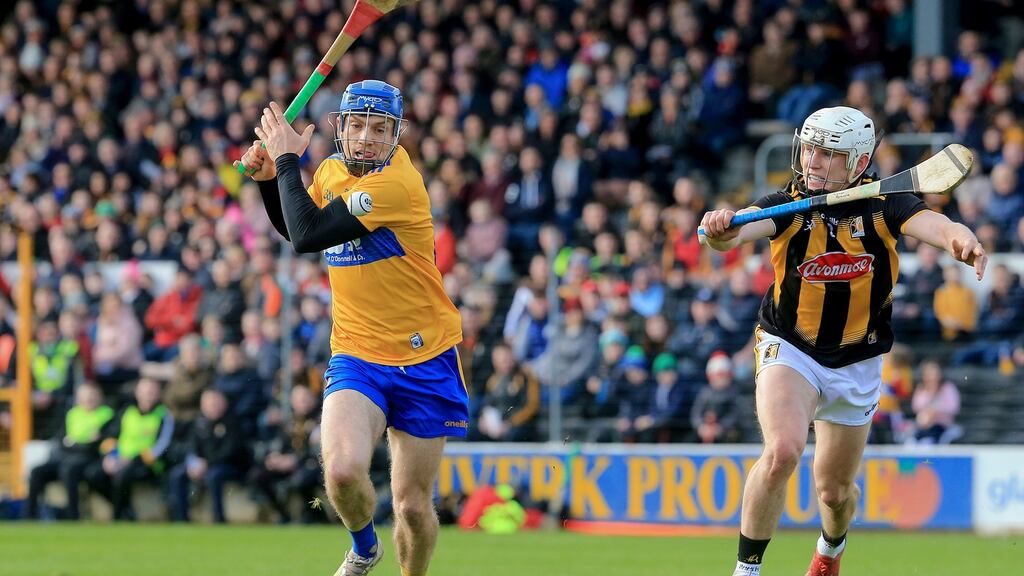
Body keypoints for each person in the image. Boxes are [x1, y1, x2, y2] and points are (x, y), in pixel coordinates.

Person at [700, 106, 987, 576]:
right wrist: (721, 229)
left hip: (858, 361)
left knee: (833, 492)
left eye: (828, 154)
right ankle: (746, 570)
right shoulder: (787, 205)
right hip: (790, 345)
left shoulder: (886, 205)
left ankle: (830, 549)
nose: (812, 161)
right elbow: (740, 230)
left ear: (858, 163)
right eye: (809, 149)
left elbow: (937, 227)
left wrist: (962, 239)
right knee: (783, 452)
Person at [238, 81, 465, 576]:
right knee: (341, 471)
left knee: (411, 506)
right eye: (357, 125)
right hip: (357, 353)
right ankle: (364, 549)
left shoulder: (396, 185)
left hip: (425, 358)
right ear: (340, 126)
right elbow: (297, 226)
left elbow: (309, 236)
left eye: (379, 129)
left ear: (396, 135)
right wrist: (269, 180)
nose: (365, 138)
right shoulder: (330, 171)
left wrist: (285, 159)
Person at [26, 381, 114, 520]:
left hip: (89, 458)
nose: (88, 399)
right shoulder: (72, 414)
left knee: (68, 469)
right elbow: (61, 441)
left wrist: (74, 443)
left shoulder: (107, 414)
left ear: (99, 397)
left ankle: (72, 515)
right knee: (36, 471)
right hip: (67, 456)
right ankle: (30, 516)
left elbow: (96, 445)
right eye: (84, 396)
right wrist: (81, 444)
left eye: (92, 395)